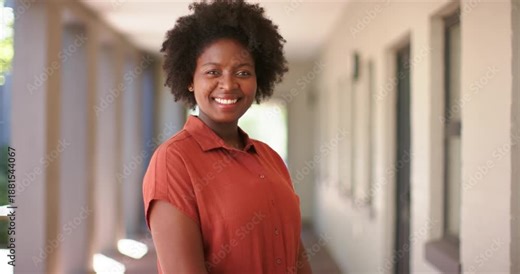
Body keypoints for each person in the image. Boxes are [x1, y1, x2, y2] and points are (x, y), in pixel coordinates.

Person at [142, 0, 312, 273]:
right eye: (212, 72)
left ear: (259, 78)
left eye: (243, 72)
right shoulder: (173, 162)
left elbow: (296, 252)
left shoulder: (270, 158)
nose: (229, 84)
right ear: (189, 79)